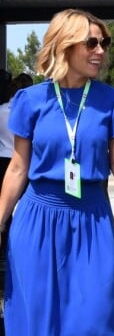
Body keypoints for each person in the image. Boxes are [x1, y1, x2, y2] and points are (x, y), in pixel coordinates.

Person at [0, 8, 114, 335]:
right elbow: (17, 168)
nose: (101, 51)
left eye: (105, 43)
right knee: (39, 320)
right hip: (37, 219)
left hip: (92, 220)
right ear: (65, 45)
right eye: (92, 43)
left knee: (98, 317)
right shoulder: (30, 100)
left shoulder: (112, 101)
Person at [0, 72, 33, 254]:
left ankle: (5, 243)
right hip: (23, 159)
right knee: (25, 204)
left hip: (3, 158)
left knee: (6, 203)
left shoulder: (1, 110)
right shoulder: (30, 110)